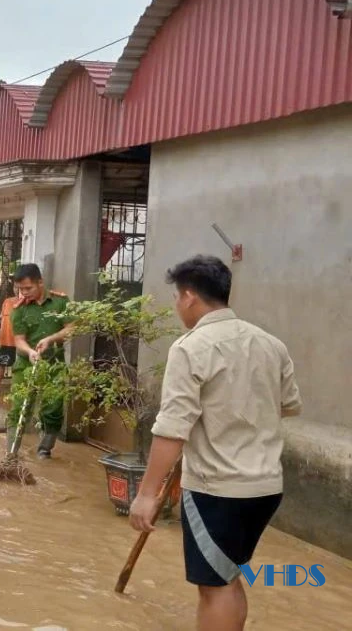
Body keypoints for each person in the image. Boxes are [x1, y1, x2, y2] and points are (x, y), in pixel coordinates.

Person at [130, 256, 301, 631]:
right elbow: (288, 406)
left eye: (177, 297)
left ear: (189, 296)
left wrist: (146, 494)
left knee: (214, 588)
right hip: (266, 487)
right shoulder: (271, 344)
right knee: (227, 576)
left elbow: (173, 428)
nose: (177, 306)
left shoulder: (191, 347)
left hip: (217, 489)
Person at [8, 263, 73, 458]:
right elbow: (19, 340)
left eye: (28, 288)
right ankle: (11, 453)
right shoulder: (18, 310)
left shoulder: (60, 302)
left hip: (53, 363)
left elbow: (71, 328)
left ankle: (45, 449)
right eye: (20, 289)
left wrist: (50, 339)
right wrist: (29, 351)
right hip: (26, 364)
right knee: (19, 407)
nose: (24, 293)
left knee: (53, 406)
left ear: (40, 282)